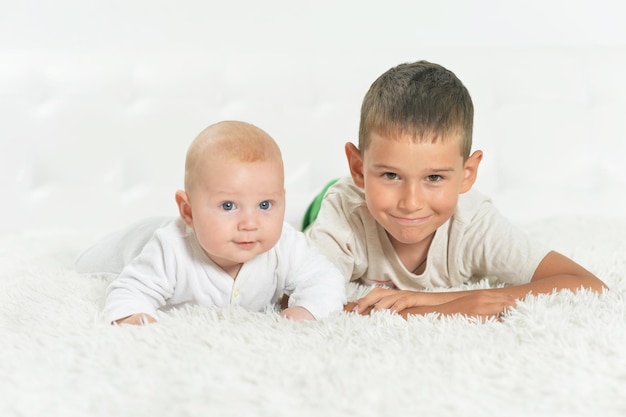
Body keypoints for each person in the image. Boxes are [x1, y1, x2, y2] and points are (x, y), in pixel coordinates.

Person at [303, 60, 607, 320]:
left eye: (434, 177)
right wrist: (439, 309)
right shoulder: (344, 213)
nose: (411, 203)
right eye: (391, 174)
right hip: (332, 201)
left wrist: (439, 300)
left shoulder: (474, 222)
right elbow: (301, 301)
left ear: (467, 174)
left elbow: (588, 284)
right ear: (358, 168)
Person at [76, 120, 346, 325]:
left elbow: (325, 277)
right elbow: (130, 290)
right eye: (228, 206)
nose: (250, 223)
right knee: (87, 261)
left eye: (265, 205)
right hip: (127, 246)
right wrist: (134, 318)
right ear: (188, 210)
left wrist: (307, 309)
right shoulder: (169, 249)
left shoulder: (284, 245)